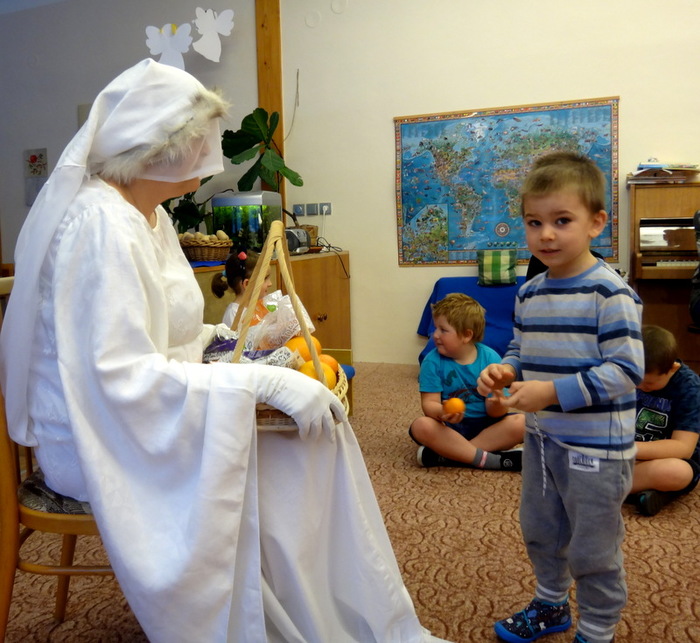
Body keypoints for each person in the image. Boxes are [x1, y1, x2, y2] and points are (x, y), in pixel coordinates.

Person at [0, 59, 445, 643]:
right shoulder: (99, 225)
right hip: (97, 437)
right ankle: (294, 616)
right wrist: (261, 382)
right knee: (292, 452)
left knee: (309, 436)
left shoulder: (148, 215)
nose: (205, 160)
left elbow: (170, 331)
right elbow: (118, 375)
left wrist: (236, 341)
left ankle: (328, 611)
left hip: (140, 408)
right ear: (158, 149)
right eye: (196, 145)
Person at [477, 151, 644, 643]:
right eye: (534, 222)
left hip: (598, 450)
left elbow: (626, 371)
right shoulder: (529, 293)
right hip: (543, 440)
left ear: (596, 223)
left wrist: (551, 392)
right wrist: (506, 369)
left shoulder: (610, 293)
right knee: (541, 529)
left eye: (562, 221)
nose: (546, 234)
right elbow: (520, 349)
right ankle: (551, 604)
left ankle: (597, 628)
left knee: (594, 546)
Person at [409, 293, 524, 470]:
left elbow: (497, 413)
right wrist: (442, 412)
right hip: (450, 429)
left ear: (467, 335)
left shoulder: (491, 358)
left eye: (443, 330)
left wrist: (497, 403)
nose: (435, 335)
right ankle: (490, 460)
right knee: (421, 426)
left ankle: (451, 455)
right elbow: (429, 404)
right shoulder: (431, 361)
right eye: (435, 328)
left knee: (522, 422)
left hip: (488, 426)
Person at [627, 325, 700, 516]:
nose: (639, 387)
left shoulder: (690, 388)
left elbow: (683, 448)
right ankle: (641, 492)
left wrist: (627, 449)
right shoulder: (626, 374)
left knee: (676, 472)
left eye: (648, 383)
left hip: (664, 460)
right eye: (635, 380)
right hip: (627, 459)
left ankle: (608, 486)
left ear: (672, 368)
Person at [211, 249, 272, 328]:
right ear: (247, 284)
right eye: (265, 278)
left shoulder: (260, 305)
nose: (270, 284)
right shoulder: (233, 314)